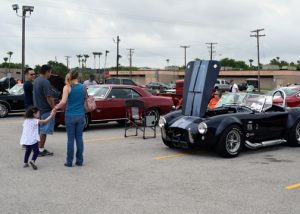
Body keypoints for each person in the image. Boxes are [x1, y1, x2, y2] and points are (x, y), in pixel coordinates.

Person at [54, 70, 85, 167]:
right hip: (81, 115)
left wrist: (55, 108)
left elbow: (63, 102)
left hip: (70, 115)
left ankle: (69, 161)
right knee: (79, 138)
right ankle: (79, 161)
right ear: (77, 77)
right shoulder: (83, 87)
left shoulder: (67, 87)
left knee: (70, 139)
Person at [33, 65, 55, 156]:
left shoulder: (36, 80)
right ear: (47, 72)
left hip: (37, 110)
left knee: (38, 131)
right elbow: (49, 97)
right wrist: (53, 107)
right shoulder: (45, 82)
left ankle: (37, 148)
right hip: (45, 110)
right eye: (50, 72)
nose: (50, 74)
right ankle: (40, 150)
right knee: (44, 131)